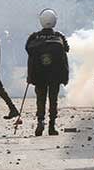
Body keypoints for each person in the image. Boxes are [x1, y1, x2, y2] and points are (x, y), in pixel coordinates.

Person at [25, 8, 69, 136]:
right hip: (55, 75)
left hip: (39, 74)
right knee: (53, 100)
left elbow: (28, 50)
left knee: (41, 99)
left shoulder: (34, 37)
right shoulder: (59, 36)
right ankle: (52, 126)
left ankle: (40, 121)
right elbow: (67, 49)